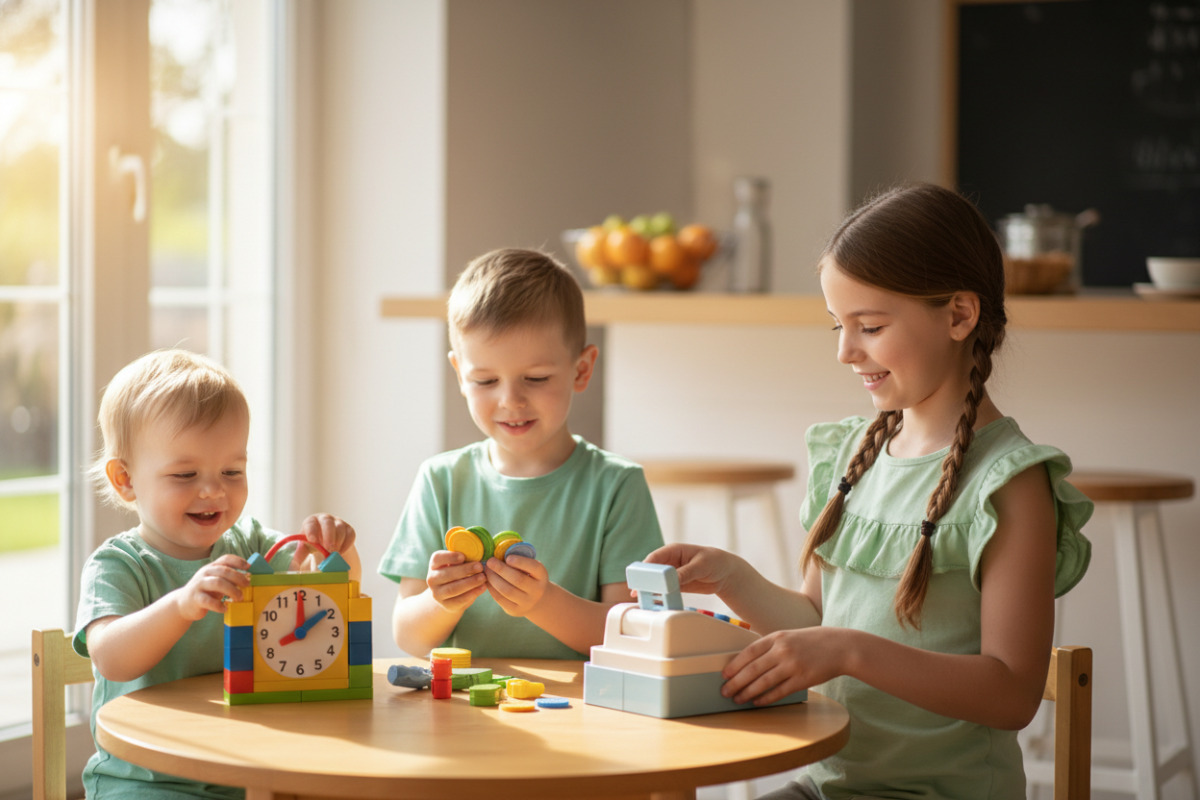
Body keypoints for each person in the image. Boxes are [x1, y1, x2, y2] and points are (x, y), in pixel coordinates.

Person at [645, 183, 1093, 800]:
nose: (845, 351)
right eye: (838, 325)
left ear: (959, 316)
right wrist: (732, 577)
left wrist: (851, 652)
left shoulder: (1008, 483)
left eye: (871, 326)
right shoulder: (852, 456)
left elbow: (1012, 694)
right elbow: (817, 622)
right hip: (828, 785)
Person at [74, 349, 361, 799]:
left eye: (232, 471)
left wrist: (336, 551)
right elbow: (111, 658)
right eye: (185, 474)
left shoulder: (251, 545)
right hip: (146, 781)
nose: (213, 490)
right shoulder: (118, 564)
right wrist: (181, 605)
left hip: (247, 773)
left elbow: (329, 596)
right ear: (125, 479)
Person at [379, 247, 664, 659]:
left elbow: (633, 634)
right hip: (468, 698)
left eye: (536, 378)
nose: (511, 400)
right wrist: (441, 602)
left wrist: (543, 603)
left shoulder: (617, 486)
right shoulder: (440, 480)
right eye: (485, 381)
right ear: (460, 375)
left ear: (581, 370)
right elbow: (409, 637)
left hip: (583, 698)